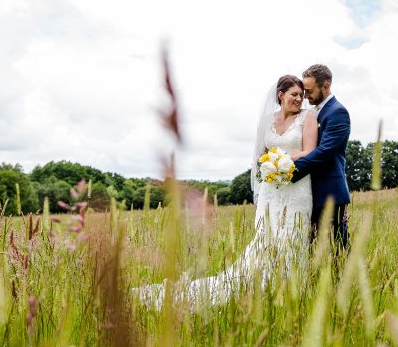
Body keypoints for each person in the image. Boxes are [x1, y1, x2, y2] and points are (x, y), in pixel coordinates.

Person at [133, 75, 318, 309]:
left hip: (296, 189)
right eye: (294, 95)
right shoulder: (268, 120)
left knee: (291, 237)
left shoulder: (307, 117)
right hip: (271, 189)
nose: (299, 99)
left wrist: (282, 160)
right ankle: (258, 287)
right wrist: (269, 163)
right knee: (266, 239)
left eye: (301, 95)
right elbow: (260, 154)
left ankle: (289, 290)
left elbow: (310, 151)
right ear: (281, 95)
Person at [292, 64, 351, 251]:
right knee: (311, 248)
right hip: (309, 192)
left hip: (329, 191)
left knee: (338, 248)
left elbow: (325, 151)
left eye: (309, 91)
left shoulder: (337, 112)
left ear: (325, 86)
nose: (305, 96)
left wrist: (291, 167)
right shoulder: (313, 112)